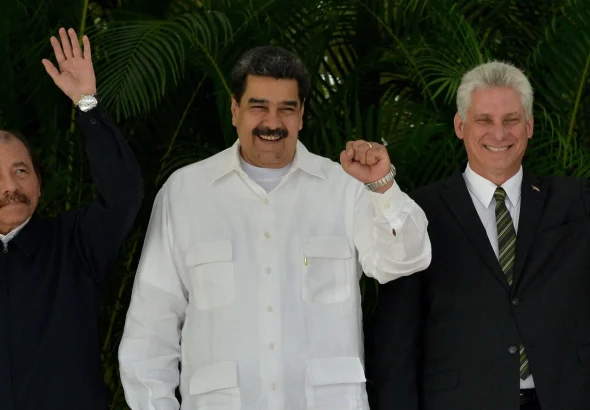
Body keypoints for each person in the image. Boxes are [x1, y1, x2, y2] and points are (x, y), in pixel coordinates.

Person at [118, 45, 431, 410]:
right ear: (235, 111)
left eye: (287, 108)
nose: (273, 121)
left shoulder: (345, 187)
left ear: (301, 115)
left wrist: (383, 187)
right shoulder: (185, 193)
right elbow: (150, 330)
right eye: (258, 106)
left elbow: (404, 260)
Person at [370, 60, 590, 410]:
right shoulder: (416, 212)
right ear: (460, 126)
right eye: (484, 120)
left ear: (530, 126)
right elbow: (397, 343)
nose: (499, 134)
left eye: (511, 120)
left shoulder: (577, 201)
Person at [0, 28, 143, 410]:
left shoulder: (74, 244)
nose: (9, 187)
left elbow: (123, 195)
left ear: (39, 184)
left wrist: (86, 102)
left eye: (20, 172)